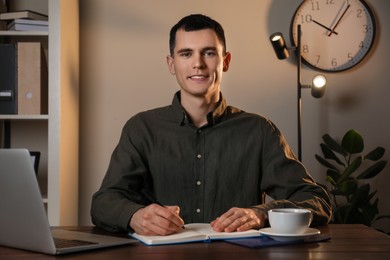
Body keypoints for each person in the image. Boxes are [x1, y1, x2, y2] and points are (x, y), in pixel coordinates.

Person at [91, 14, 332, 235]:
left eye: (208, 53)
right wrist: (135, 216)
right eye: (186, 54)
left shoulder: (259, 130)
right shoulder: (141, 128)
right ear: (171, 64)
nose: (198, 64)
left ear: (225, 61)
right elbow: (103, 203)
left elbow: (316, 200)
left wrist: (260, 214)